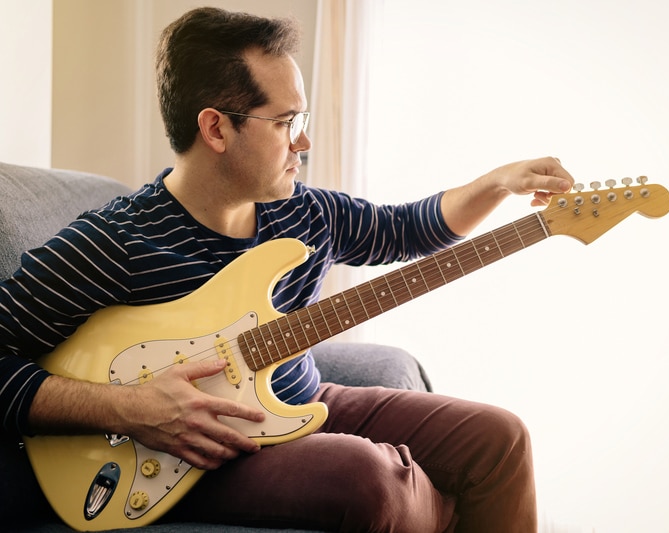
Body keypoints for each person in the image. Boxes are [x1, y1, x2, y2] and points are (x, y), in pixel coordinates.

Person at [0, 7, 574, 533]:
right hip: (187, 458)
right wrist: (128, 408)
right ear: (217, 128)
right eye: (285, 121)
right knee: (370, 479)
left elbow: (409, 229)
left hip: (297, 402)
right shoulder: (117, 241)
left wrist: (499, 182)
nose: (303, 140)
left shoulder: (303, 211)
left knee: (501, 438)